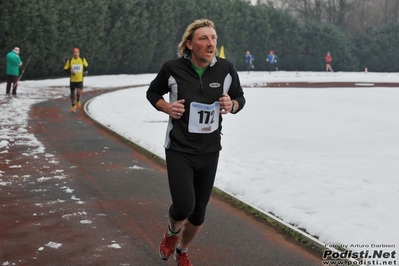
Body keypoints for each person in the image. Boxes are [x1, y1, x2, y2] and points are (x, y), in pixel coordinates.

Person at [146, 19, 245, 266]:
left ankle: (182, 249)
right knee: (183, 206)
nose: (210, 42)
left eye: (213, 38)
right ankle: (171, 232)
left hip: (210, 150)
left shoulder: (226, 69)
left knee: (199, 213)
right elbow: (152, 93)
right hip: (180, 148)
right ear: (189, 44)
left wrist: (231, 105)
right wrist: (167, 107)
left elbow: (240, 98)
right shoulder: (172, 68)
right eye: (204, 38)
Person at [63, 47, 88, 112]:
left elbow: (86, 66)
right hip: (72, 80)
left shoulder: (82, 60)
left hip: (80, 79)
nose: (76, 54)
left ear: (79, 53)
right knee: (73, 94)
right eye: (74, 52)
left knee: (79, 93)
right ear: (73, 54)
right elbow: (65, 69)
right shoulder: (70, 61)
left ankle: (78, 100)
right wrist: (70, 71)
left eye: (77, 52)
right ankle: (73, 105)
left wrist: (85, 72)